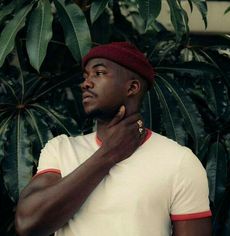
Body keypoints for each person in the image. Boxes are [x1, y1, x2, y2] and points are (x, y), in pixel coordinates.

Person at [15, 42, 212, 236]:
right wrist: (108, 155)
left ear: (132, 87)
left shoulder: (179, 161)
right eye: (85, 76)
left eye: (99, 73)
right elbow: (27, 223)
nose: (86, 83)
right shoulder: (60, 149)